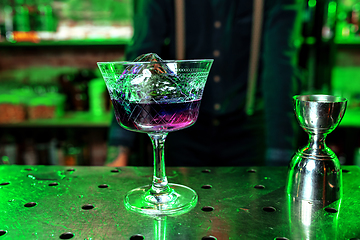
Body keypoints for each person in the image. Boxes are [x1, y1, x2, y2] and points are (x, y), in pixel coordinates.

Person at [105, 0, 305, 167]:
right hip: (182, 130)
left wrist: (280, 155)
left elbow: (280, 66)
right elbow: (139, 57)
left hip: (249, 129)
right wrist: (119, 149)